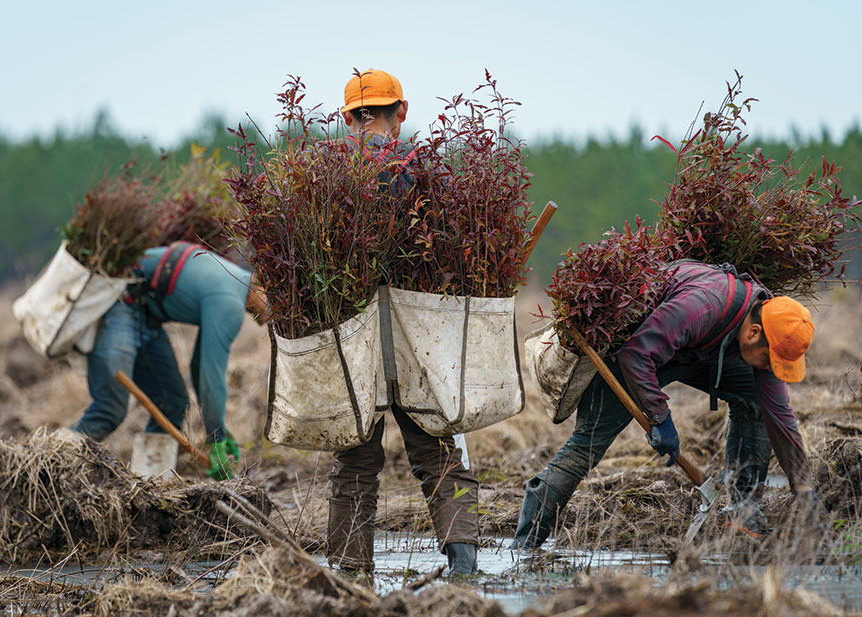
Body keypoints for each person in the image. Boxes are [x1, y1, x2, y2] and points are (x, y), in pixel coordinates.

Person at [512, 259, 823, 549]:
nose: (770, 367)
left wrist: (804, 490)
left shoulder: (765, 330)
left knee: (758, 401)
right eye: (770, 359)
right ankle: (526, 544)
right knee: (588, 442)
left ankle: (743, 511)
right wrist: (660, 416)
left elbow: (781, 418)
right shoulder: (703, 305)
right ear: (755, 333)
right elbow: (637, 353)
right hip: (636, 350)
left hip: (695, 350)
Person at [325, 69, 479, 575]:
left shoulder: (327, 184)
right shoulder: (425, 178)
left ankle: (349, 578)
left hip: (355, 345)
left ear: (349, 120)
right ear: (402, 112)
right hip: (421, 341)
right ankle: (464, 568)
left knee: (354, 467)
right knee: (438, 450)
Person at [72, 243, 267, 480]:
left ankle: (149, 484)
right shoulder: (229, 303)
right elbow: (210, 376)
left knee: (172, 403)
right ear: (263, 287)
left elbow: (199, 368)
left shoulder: (233, 281)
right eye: (277, 306)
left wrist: (219, 432)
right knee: (110, 408)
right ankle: (57, 464)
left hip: (147, 316)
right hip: (121, 302)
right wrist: (215, 439)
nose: (274, 318)